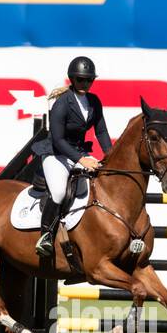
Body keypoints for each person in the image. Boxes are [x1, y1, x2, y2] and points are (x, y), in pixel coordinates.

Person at [33, 55, 113, 257]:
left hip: (79, 152)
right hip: (56, 154)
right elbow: (58, 140)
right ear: (72, 79)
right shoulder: (62, 104)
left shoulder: (94, 101)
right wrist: (81, 159)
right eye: (80, 79)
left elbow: (101, 131)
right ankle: (45, 236)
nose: (85, 83)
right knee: (59, 192)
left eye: (89, 80)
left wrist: (110, 155)